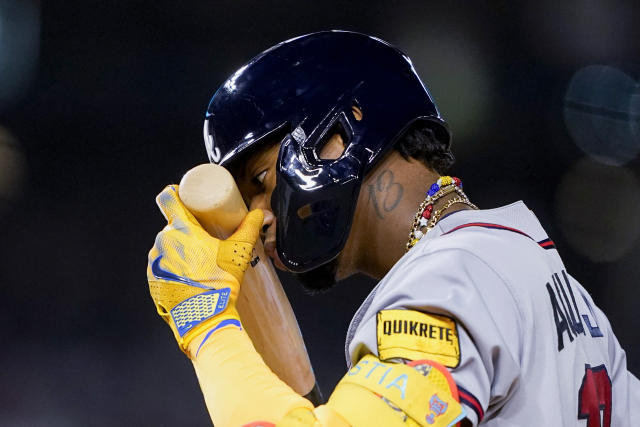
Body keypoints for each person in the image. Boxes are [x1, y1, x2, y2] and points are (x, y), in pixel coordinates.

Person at [147, 31, 640, 426]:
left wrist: (205, 321)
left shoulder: (450, 282)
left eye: (261, 180)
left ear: (338, 138)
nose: (259, 219)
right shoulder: (538, 273)